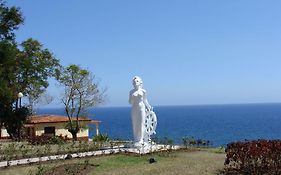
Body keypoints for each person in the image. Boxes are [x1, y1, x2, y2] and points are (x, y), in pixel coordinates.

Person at [129, 76, 151, 147]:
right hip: (134, 108)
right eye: (134, 81)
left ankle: (141, 139)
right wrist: (132, 97)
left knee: (142, 123)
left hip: (141, 108)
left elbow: (145, 100)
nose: (135, 82)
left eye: (137, 81)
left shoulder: (143, 91)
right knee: (135, 124)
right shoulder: (131, 92)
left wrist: (148, 106)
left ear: (140, 82)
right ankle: (136, 139)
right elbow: (130, 102)